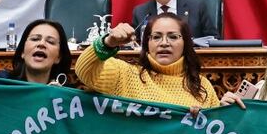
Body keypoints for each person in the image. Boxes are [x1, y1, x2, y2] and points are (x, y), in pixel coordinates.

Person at [75, 13, 219, 109]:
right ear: (147, 44)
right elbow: (83, 71)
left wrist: (227, 110)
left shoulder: (203, 86)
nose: (164, 43)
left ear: (185, 43)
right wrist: (108, 42)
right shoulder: (125, 74)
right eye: (156, 37)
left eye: (173, 37)